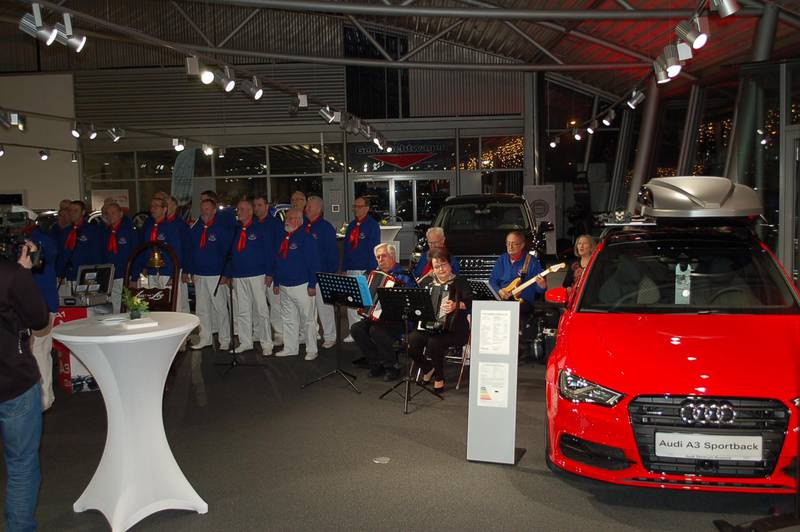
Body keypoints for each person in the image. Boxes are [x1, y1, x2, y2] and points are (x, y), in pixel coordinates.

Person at [0, 242, 50, 532]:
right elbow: (39, 319)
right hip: (13, 381)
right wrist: (24, 272)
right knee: (21, 465)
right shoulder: (10, 275)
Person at [408, 249, 472, 394]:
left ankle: (439, 377)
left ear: (450, 264)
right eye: (437, 266)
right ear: (432, 268)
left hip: (455, 329)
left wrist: (456, 305)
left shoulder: (460, 281)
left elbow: (471, 302)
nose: (441, 269)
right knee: (411, 341)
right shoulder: (427, 282)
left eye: (444, 264)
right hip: (429, 327)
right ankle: (428, 368)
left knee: (434, 343)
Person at [350, 243, 415, 381]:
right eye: (378, 257)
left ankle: (392, 366)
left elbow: (411, 301)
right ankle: (376, 363)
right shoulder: (373, 275)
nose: (380, 260)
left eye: (383, 256)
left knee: (376, 330)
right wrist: (361, 302)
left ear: (393, 256)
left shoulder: (404, 276)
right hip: (376, 317)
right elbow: (367, 297)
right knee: (356, 328)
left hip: (398, 319)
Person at [22, 211, 58, 411]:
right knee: (41, 350)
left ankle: (43, 400)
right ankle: (46, 398)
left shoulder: (40, 241)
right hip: (38, 304)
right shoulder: (41, 240)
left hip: (40, 305)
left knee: (38, 350)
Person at [186, 198, 234, 351]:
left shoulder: (221, 228)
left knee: (220, 308)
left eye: (207, 209)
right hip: (200, 274)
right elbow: (190, 251)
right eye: (202, 208)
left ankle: (225, 339)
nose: (204, 211)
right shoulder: (196, 228)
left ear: (214, 211)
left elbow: (229, 253)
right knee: (202, 309)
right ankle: (205, 338)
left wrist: (226, 274)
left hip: (216, 275)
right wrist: (189, 270)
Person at [272, 208, 320, 359]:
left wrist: (312, 284)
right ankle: (290, 348)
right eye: (286, 218)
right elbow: (278, 261)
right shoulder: (283, 237)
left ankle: (312, 350)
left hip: (302, 285)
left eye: (290, 218)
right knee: (288, 319)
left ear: (299, 220)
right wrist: (277, 281)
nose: (286, 221)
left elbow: (314, 263)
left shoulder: (307, 238)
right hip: (285, 285)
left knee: (308, 320)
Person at [228, 198, 273, 356]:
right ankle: (245, 342)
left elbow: (269, 252)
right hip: (239, 275)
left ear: (250, 212)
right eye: (238, 209)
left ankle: (266, 343)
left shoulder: (260, 228)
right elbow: (231, 254)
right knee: (242, 310)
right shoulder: (236, 230)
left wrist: (269, 273)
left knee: (261, 310)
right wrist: (230, 274)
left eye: (241, 209)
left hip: (257, 275)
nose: (238, 212)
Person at [342, 196, 381, 340]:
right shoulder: (352, 225)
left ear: (366, 208)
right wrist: (344, 268)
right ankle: (353, 332)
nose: (356, 209)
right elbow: (347, 249)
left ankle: (365, 332)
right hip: (351, 268)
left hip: (364, 269)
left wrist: (370, 270)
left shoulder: (372, 225)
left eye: (359, 206)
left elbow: (374, 249)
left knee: (365, 303)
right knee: (351, 302)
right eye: (355, 206)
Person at [135, 196, 185, 304]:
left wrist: (174, 275)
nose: (152, 209)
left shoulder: (171, 227)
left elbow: (177, 252)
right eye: (151, 206)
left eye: (156, 206)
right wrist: (144, 267)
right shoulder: (149, 227)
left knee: (171, 303)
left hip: (167, 272)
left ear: (164, 209)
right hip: (151, 272)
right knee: (152, 303)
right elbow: (145, 250)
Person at [304, 196, 338, 349]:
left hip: (323, 273)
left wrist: (329, 274)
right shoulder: (304, 226)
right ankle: (312, 334)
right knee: (309, 309)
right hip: (306, 274)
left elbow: (332, 253)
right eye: (306, 207)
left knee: (325, 308)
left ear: (318, 209)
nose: (306, 209)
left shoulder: (325, 228)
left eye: (309, 207)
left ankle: (330, 336)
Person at [254, 194, 284, 347]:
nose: (257, 208)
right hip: (256, 272)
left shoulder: (275, 224)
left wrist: (272, 273)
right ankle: (259, 333)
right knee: (257, 306)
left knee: (275, 305)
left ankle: (280, 334)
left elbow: (279, 251)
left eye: (260, 205)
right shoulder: (253, 224)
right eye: (255, 205)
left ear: (267, 207)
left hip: (271, 272)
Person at [489, 230, 547, 307]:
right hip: (503, 302)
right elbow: (492, 281)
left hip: (524, 304)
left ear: (522, 245)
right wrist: (500, 291)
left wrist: (542, 286)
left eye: (514, 244)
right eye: (508, 243)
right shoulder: (502, 259)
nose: (510, 247)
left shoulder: (532, 262)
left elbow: (539, 290)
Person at [56, 200, 102, 296]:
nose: (72, 213)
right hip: (67, 276)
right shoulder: (65, 232)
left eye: (76, 210)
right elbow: (61, 254)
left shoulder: (91, 231)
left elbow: (96, 255)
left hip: (84, 275)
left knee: (84, 302)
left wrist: (93, 276)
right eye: (70, 210)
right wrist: (60, 273)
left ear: (83, 212)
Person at [101, 202, 140, 314]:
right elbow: (103, 256)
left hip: (127, 275)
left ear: (121, 214)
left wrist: (134, 277)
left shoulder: (129, 231)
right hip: (112, 276)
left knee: (131, 307)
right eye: (108, 214)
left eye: (113, 213)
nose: (110, 216)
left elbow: (137, 254)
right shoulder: (105, 233)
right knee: (116, 307)